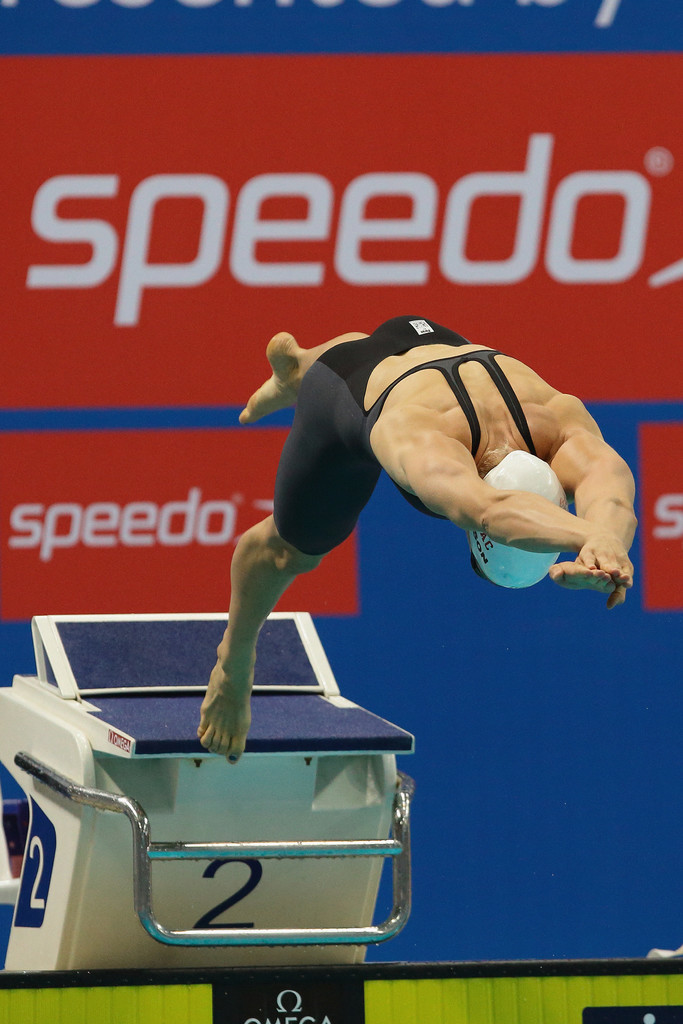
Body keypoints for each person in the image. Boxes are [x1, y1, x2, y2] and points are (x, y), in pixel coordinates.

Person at [198, 316, 636, 762]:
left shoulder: (560, 422)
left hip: (425, 336)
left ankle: (300, 365)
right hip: (346, 385)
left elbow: (613, 498)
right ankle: (233, 663)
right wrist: (589, 535)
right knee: (287, 552)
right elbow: (492, 511)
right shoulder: (432, 453)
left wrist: (606, 548)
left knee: (365, 360)